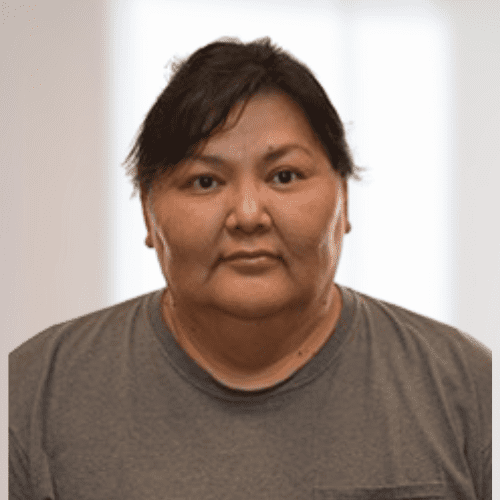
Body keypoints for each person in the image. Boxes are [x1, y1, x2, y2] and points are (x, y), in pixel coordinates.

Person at [9, 37, 491, 499]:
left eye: (284, 176)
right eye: (205, 181)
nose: (247, 214)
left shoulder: (468, 387)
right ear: (148, 216)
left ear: (344, 200)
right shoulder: (33, 393)